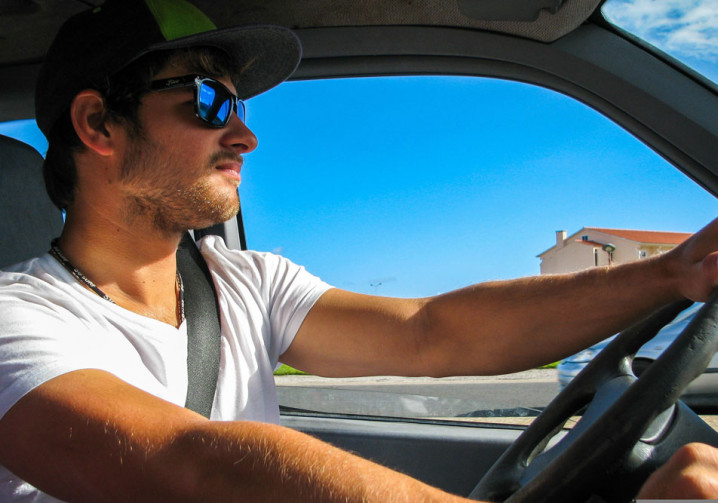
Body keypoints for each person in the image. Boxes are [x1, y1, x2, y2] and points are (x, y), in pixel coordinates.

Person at [1, 0, 718, 501]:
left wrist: (672, 273)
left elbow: (431, 330)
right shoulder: (15, 322)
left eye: (240, 107)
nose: (245, 136)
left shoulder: (247, 281)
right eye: (208, 103)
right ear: (98, 123)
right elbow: (190, 465)